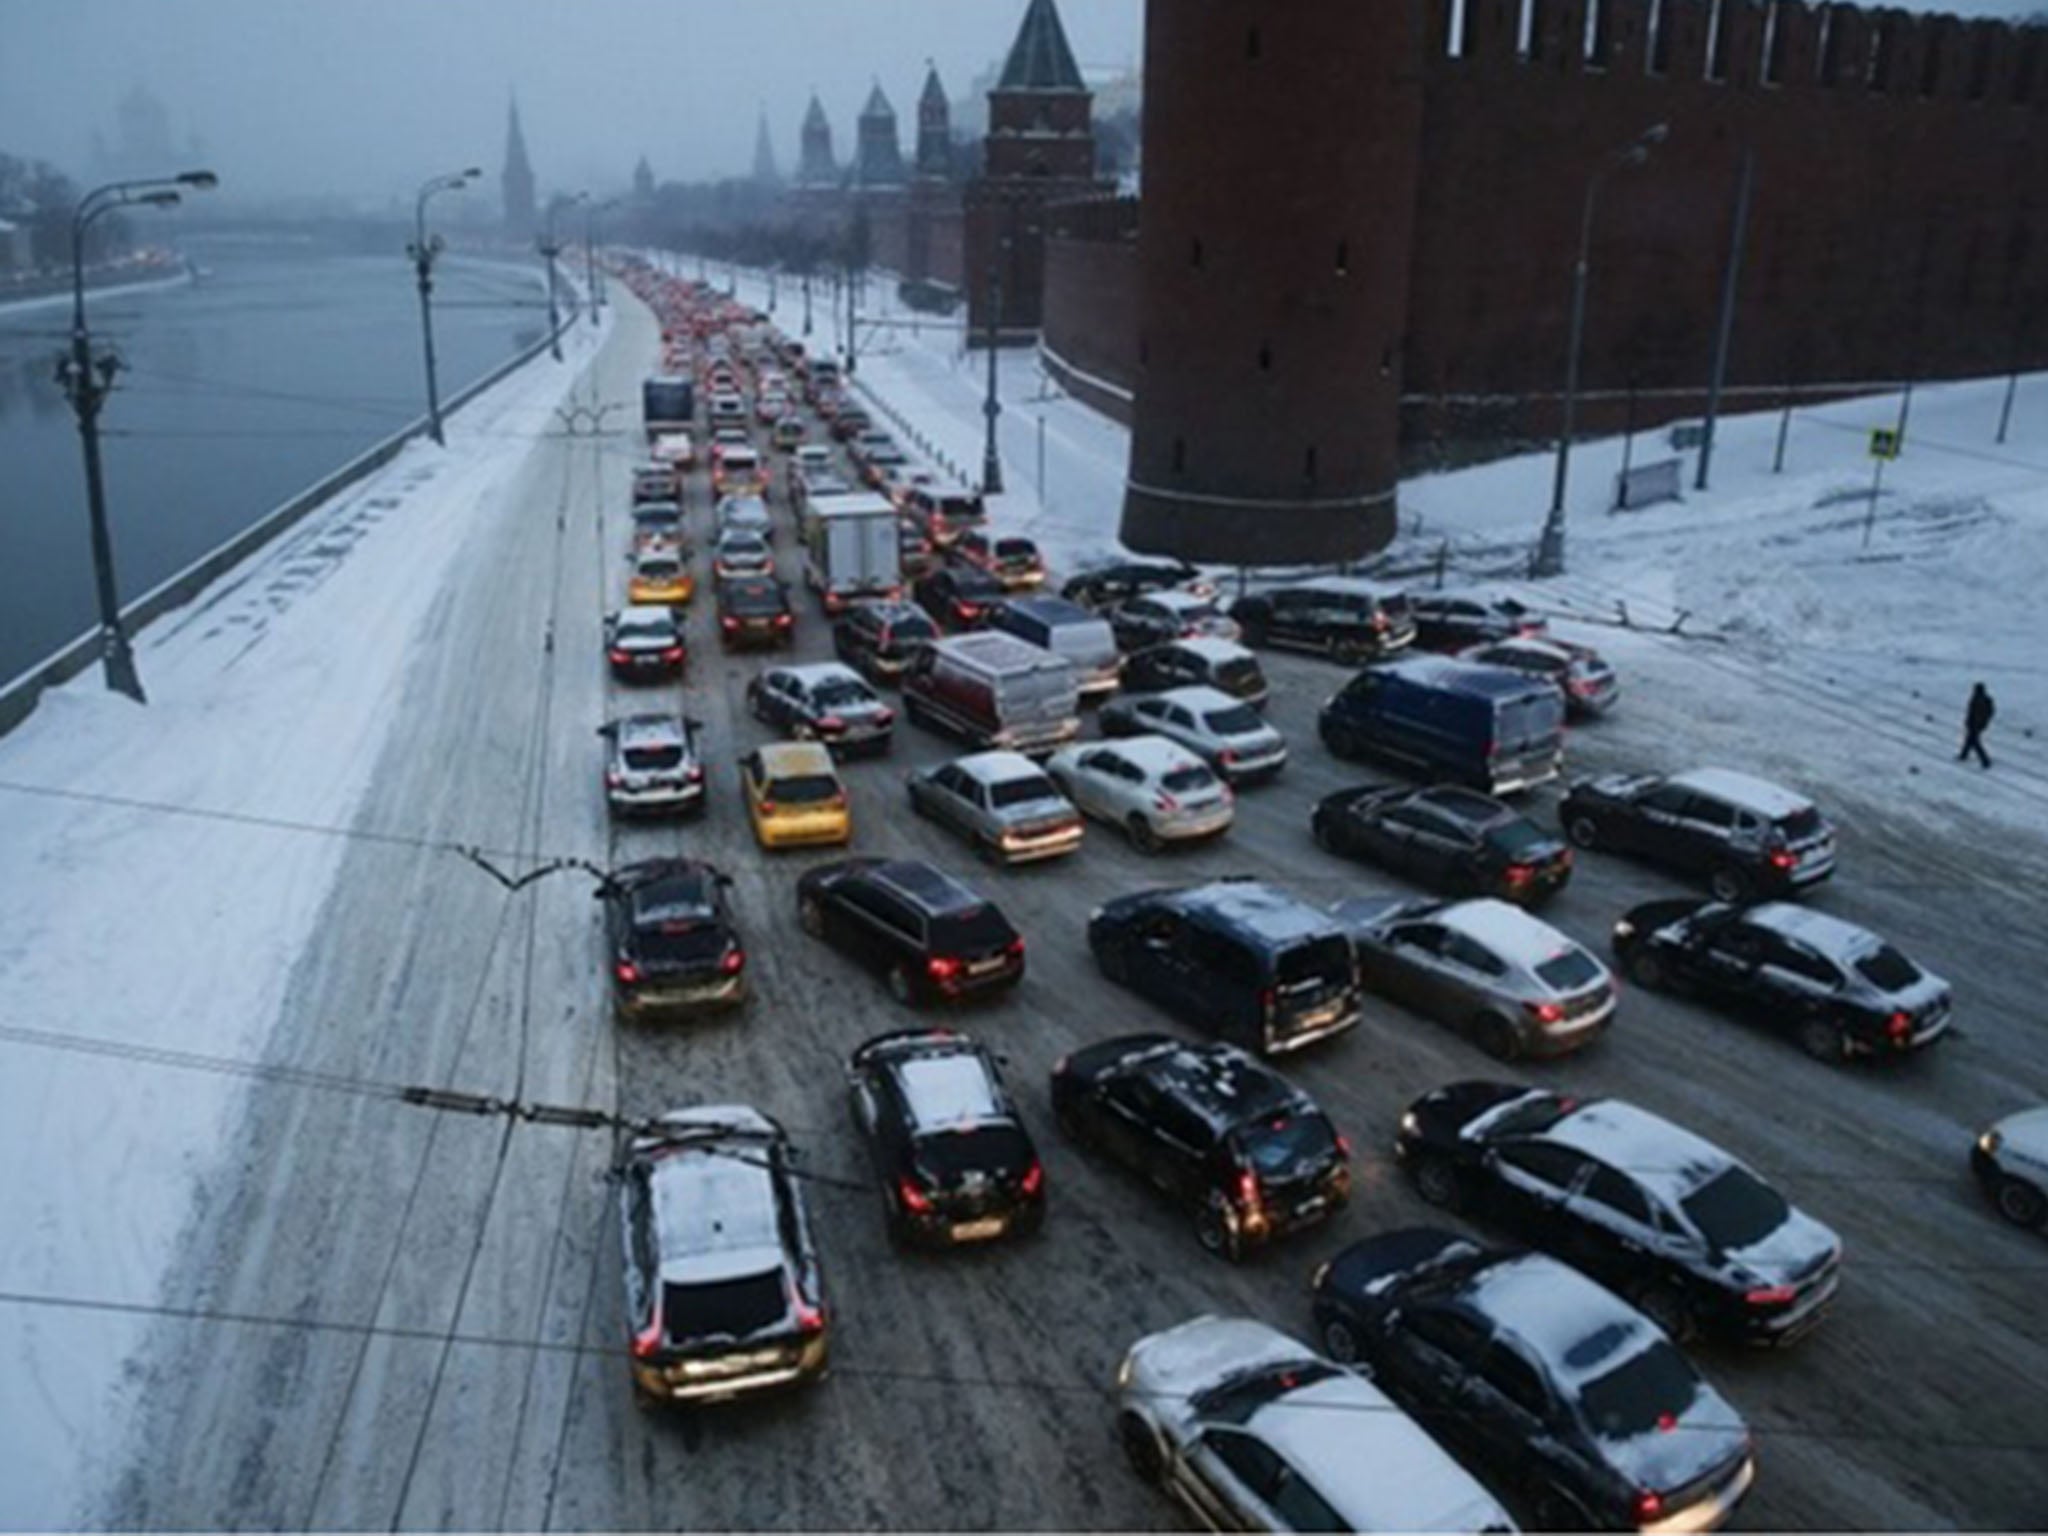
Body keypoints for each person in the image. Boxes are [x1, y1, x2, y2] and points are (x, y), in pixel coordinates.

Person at [1958, 682, 1995, 769]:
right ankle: (1964, 755)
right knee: (1969, 739)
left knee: (1974, 741)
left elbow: (1973, 712)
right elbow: (1990, 712)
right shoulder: (1986, 699)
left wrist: (1970, 722)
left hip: (1975, 724)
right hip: (1980, 724)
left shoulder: (1977, 699)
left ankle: (1985, 760)